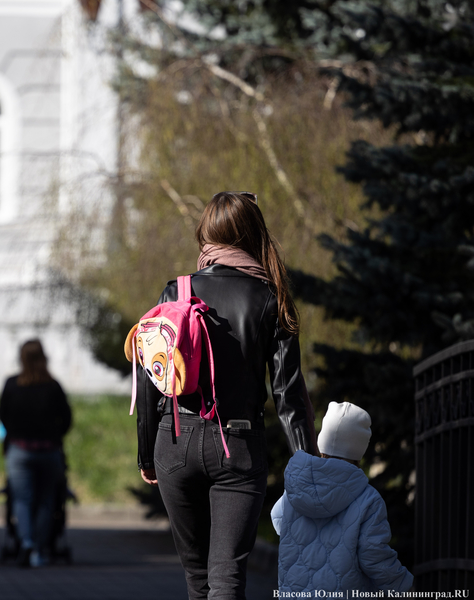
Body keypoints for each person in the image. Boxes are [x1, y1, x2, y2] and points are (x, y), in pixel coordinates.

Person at [133, 191, 318, 599]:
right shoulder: (272, 297)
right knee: (227, 580)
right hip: (238, 445)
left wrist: (147, 454)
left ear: (207, 235)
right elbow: (287, 394)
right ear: (253, 235)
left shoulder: (176, 292)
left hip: (175, 442)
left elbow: (151, 379)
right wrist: (308, 464)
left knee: (197, 579)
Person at [272, 402, 413, 594]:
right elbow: (373, 556)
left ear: (321, 448)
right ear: (358, 455)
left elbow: (278, 520)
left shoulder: (297, 487)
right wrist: (403, 586)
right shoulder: (368, 499)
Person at [0, 339, 72, 568]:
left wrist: (13, 434)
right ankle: (40, 550)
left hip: (19, 450)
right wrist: (55, 435)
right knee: (46, 501)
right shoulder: (53, 386)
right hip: (49, 451)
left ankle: (26, 542)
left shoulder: (11, 385)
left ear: (21, 358)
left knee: (22, 499)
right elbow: (67, 418)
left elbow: (2, 415)